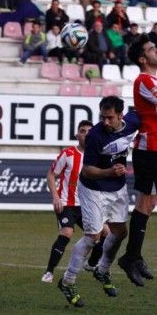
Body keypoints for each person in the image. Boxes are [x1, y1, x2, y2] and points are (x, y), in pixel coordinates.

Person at [58, 96, 140, 308]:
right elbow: (87, 170)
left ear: (120, 115)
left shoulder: (132, 122)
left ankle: (102, 270)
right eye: (102, 117)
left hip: (117, 188)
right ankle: (67, 281)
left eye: (109, 118)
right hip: (93, 188)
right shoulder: (95, 135)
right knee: (93, 237)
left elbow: (148, 115)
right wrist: (109, 171)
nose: (105, 121)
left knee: (121, 232)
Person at [42, 120, 108, 284]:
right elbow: (51, 175)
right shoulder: (68, 153)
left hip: (88, 205)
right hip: (67, 204)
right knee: (67, 232)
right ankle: (49, 272)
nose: (86, 134)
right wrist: (55, 197)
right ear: (77, 135)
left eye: (89, 131)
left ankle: (91, 263)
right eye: (82, 131)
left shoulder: (98, 156)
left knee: (106, 233)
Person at [118, 34, 157, 287]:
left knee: (150, 202)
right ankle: (130, 258)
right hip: (149, 148)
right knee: (145, 202)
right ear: (143, 59)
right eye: (153, 48)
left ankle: (134, 255)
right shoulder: (144, 80)